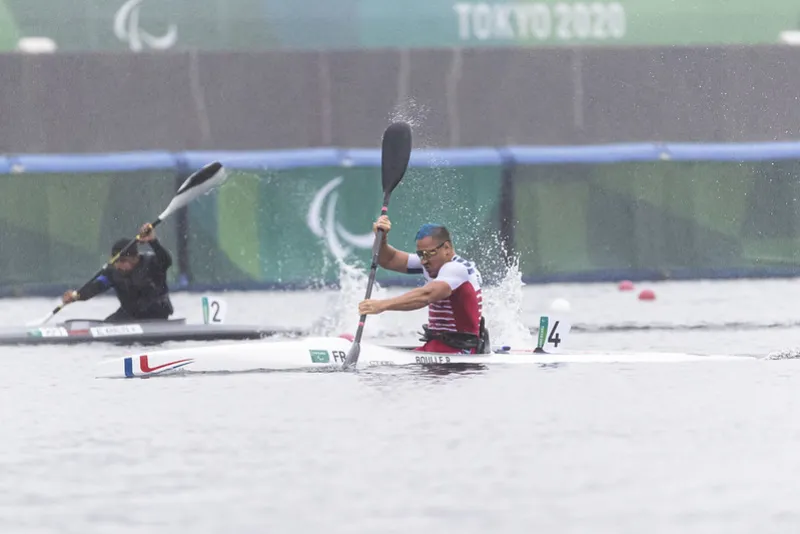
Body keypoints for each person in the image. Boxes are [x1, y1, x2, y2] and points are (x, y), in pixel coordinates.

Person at [358, 216, 490, 354]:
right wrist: (382, 238)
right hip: (440, 347)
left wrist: (382, 305)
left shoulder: (457, 269)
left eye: (428, 254)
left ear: (447, 248)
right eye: (420, 254)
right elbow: (388, 259)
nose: (423, 261)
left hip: (460, 351)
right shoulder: (434, 263)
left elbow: (426, 295)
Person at [62, 223, 174, 323]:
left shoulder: (152, 264)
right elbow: (96, 286)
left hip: (156, 316)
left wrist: (153, 241)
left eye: (123, 261)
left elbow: (166, 260)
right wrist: (76, 296)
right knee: (107, 325)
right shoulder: (112, 273)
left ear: (135, 257)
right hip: (130, 316)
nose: (118, 265)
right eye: (115, 261)